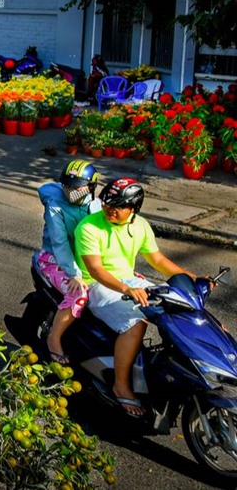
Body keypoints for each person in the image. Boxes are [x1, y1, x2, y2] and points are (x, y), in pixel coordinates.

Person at [75, 178, 203, 418]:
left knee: (181, 306)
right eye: (107, 203)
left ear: (133, 209)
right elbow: (96, 270)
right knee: (136, 324)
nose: (110, 209)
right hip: (98, 286)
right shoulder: (89, 227)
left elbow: (158, 260)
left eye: (118, 206)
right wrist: (125, 288)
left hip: (129, 280)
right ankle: (121, 385)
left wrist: (193, 278)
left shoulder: (141, 225)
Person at [35, 161, 102, 364]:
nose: (70, 191)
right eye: (67, 186)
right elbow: (59, 242)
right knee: (79, 294)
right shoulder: (55, 206)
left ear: (91, 187)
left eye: (76, 187)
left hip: (85, 259)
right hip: (54, 259)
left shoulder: (96, 206)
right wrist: (75, 274)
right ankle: (54, 339)